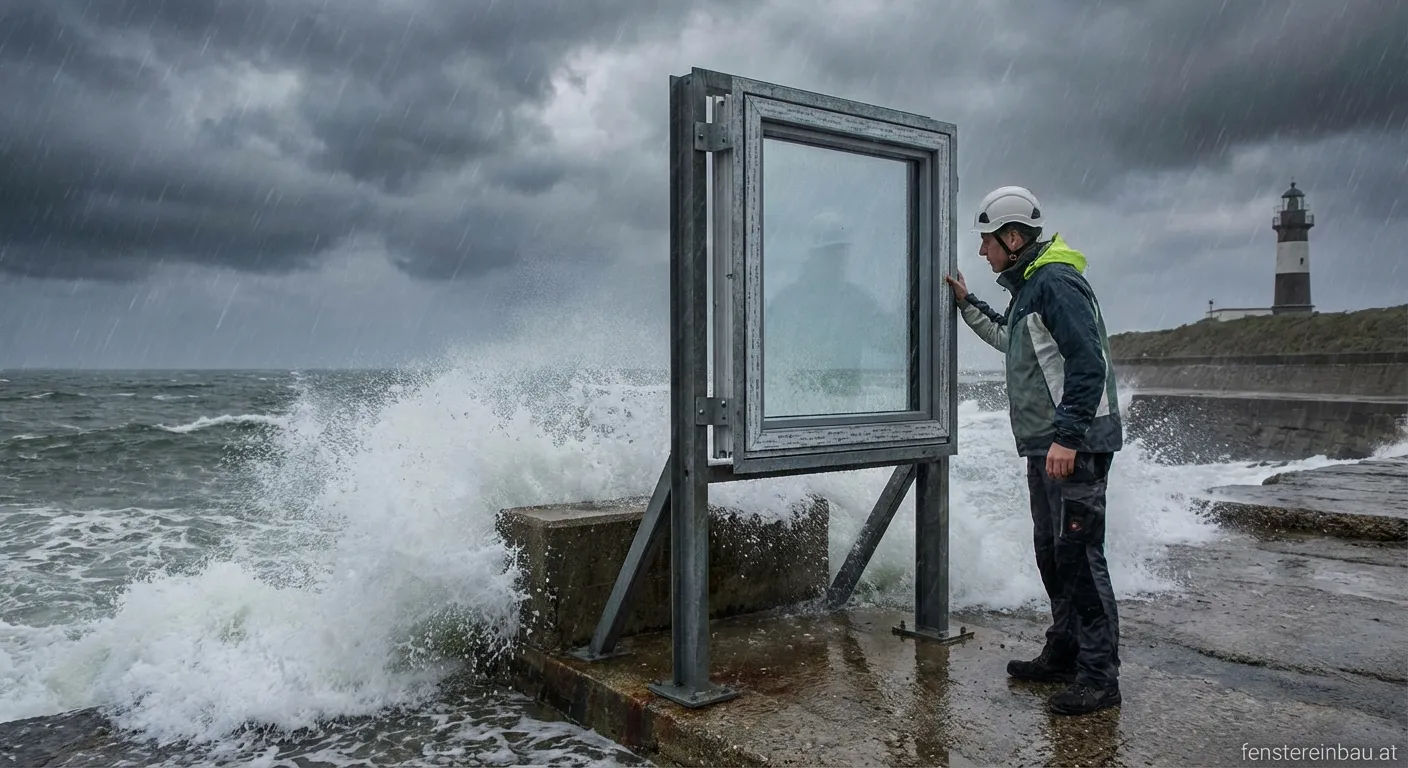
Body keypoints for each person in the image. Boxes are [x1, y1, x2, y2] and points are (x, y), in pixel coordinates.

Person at [944, 186, 1124, 716]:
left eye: (987, 242)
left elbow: (1088, 363)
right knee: (1053, 553)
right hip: (1048, 446)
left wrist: (1069, 437)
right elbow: (1010, 340)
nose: (982, 252)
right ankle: (1065, 651)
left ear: (1013, 237)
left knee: (1081, 560)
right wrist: (965, 304)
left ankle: (1099, 678)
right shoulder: (1028, 289)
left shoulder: (1055, 284)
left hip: (1075, 446)